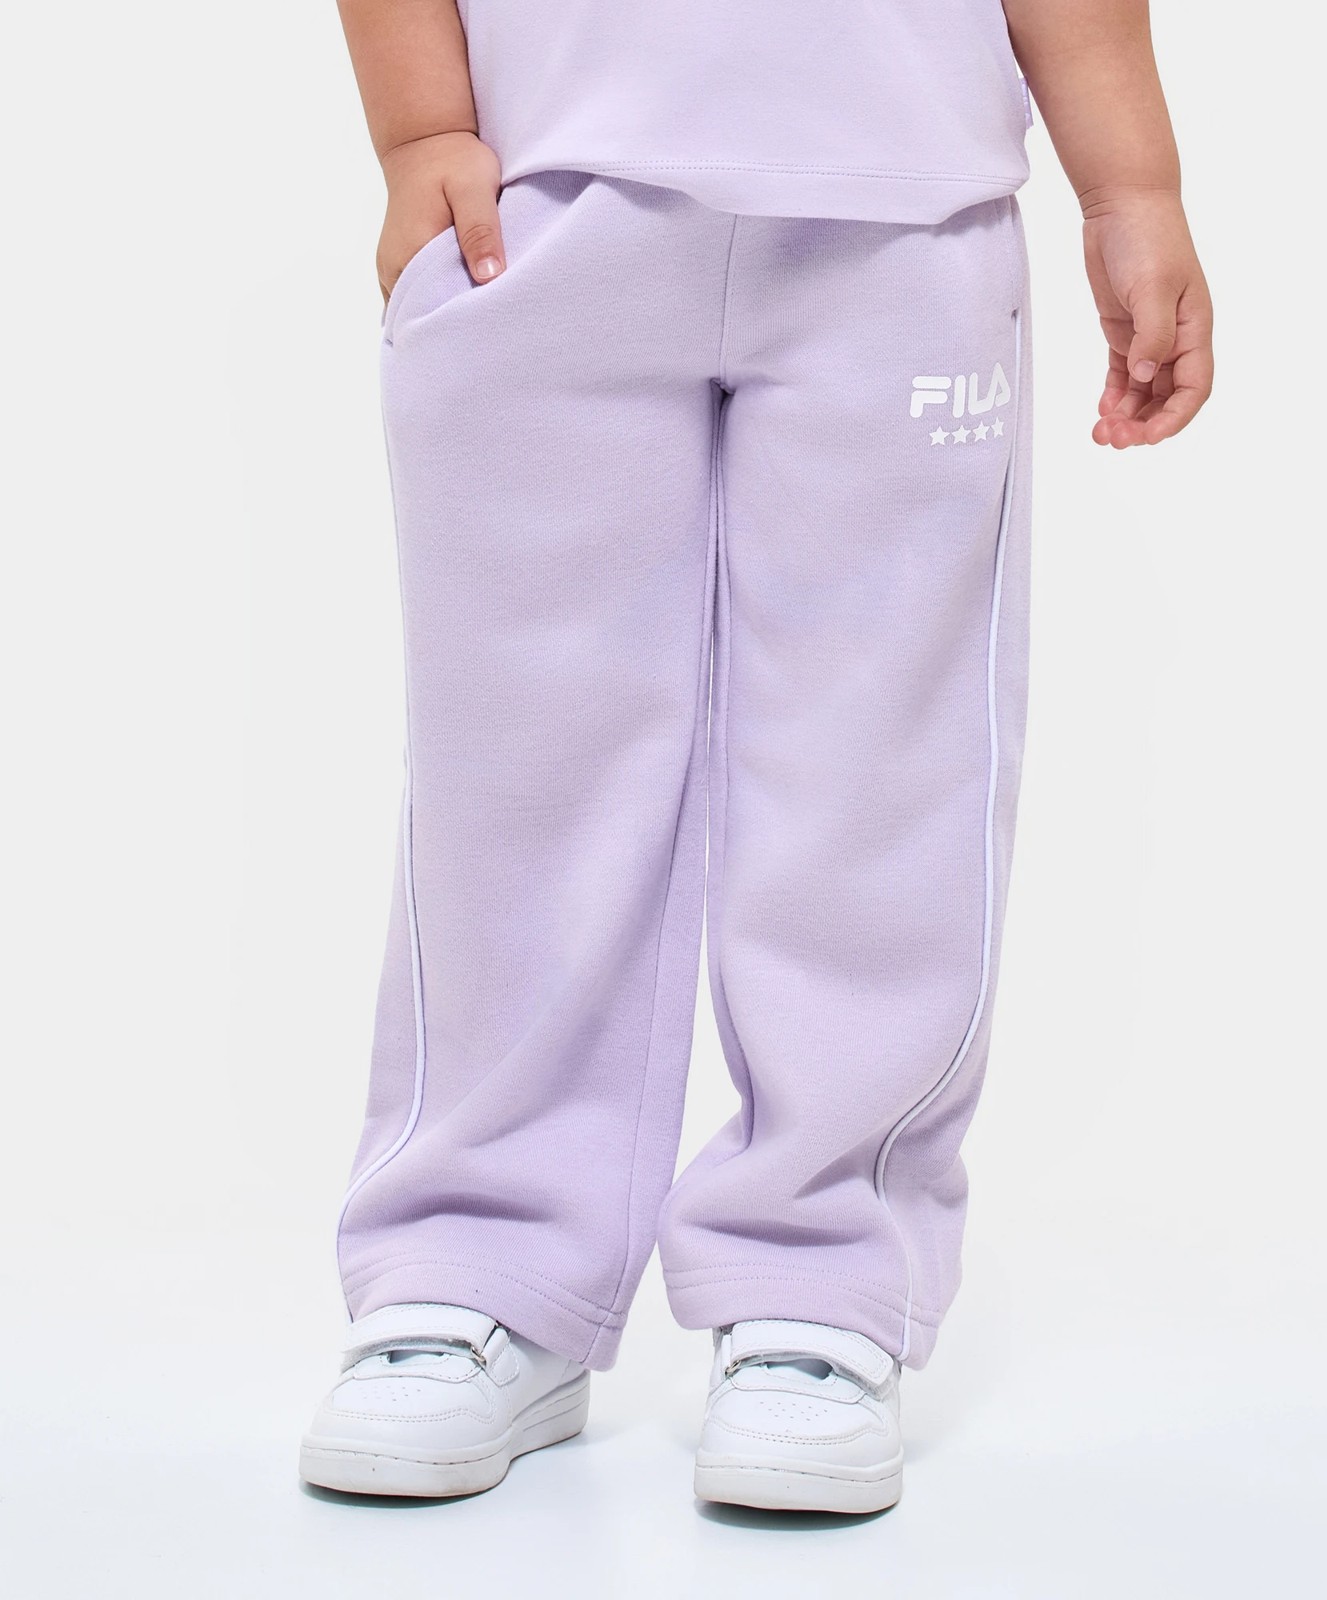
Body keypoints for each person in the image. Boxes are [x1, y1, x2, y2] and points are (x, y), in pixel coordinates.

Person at [298, 0, 1212, 1514]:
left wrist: (1133, 187)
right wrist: (421, 131)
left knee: (880, 775)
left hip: (903, 220)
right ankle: (482, 1254)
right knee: (517, 771)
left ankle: (821, 1269)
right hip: (536, 216)